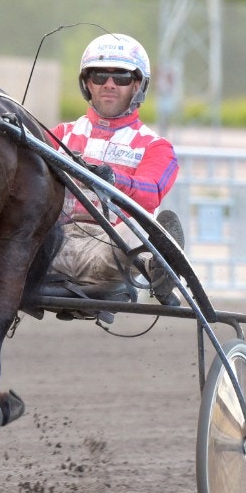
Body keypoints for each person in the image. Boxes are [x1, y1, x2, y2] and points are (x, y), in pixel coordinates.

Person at [46, 33, 183, 303]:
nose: (109, 84)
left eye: (121, 77)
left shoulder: (156, 147)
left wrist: (112, 179)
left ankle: (158, 263)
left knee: (140, 227)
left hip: (109, 249)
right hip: (49, 245)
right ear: (87, 83)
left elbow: (152, 192)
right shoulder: (58, 135)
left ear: (137, 86)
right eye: (99, 76)